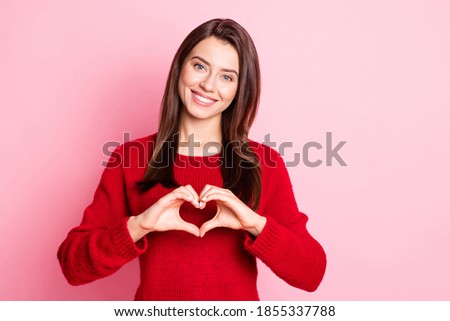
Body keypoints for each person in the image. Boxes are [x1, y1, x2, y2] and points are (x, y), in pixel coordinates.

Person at [57, 18, 326, 300]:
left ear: (239, 89)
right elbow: (72, 266)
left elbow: (311, 273)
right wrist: (138, 225)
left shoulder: (264, 163)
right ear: (180, 69)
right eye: (200, 66)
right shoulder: (130, 159)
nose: (208, 85)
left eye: (226, 76)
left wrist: (255, 224)